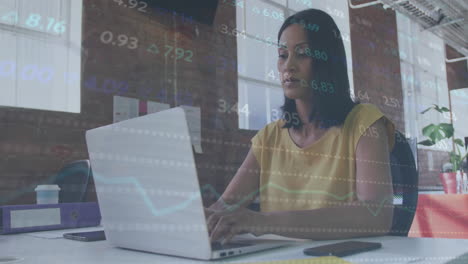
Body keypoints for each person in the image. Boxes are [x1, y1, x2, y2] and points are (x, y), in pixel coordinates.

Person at [206, 9, 395, 244]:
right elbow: (226, 205)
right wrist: (198, 220)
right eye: (283, 55)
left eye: (303, 54)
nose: (289, 66)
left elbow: (376, 215)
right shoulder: (269, 136)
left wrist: (261, 222)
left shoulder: (364, 122)